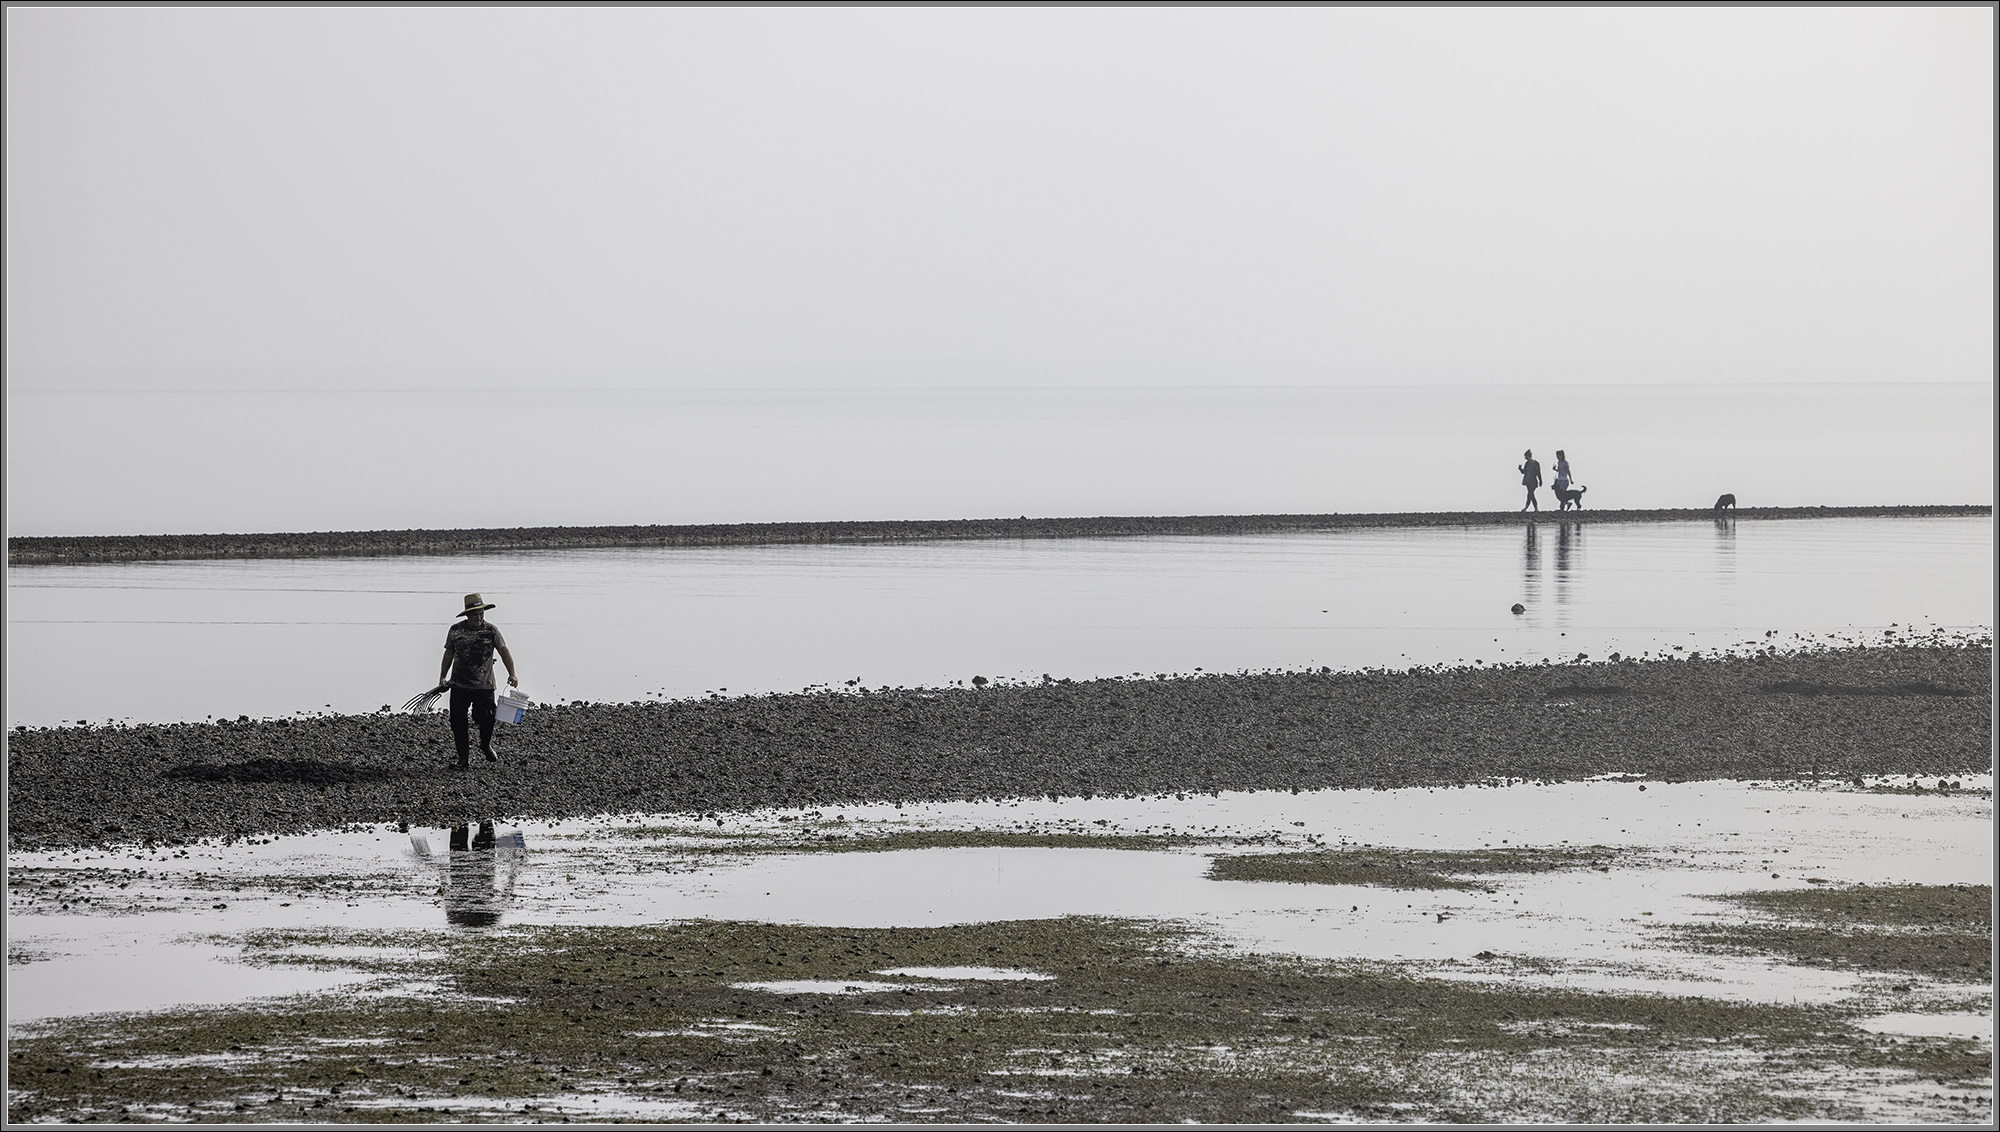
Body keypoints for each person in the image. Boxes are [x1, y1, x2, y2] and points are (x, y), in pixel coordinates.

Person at [439, 593, 518, 771]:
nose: (479, 617)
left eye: (481, 613)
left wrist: (512, 674)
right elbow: (448, 654)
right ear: (467, 615)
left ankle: (485, 744)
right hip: (459, 684)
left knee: (486, 718)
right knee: (458, 722)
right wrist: (443, 677)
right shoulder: (455, 630)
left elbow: (504, 652)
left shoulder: (492, 631)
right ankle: (463, 760)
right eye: (475, 614)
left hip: (485, 685)